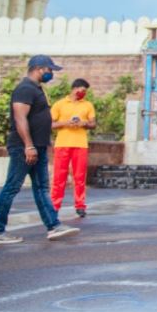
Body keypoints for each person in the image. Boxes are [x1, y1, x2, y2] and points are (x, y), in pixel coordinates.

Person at [0, 55, 81, 244]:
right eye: (50, 70)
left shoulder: (36, 89)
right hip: (24, 147)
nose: (51, 73)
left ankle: (53, 226)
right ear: (39, 68)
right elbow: (20, 118)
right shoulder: (25, 89)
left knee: (41, 188)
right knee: (12, 187)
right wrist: (28, 146)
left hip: (37, 147)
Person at [51, 78, 96, 217]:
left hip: (81, 144)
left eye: (85, 92)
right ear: (75, 88)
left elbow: (93, 124)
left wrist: (84, 123)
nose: (83, 93)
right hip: (62, 144)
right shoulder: (59, 104)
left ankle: (80, 205)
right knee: (59, 177)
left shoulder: (88, 105)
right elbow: (51, 124)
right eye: (82, 90)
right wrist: (66, 123)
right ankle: (54, 205)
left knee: (80, 177)